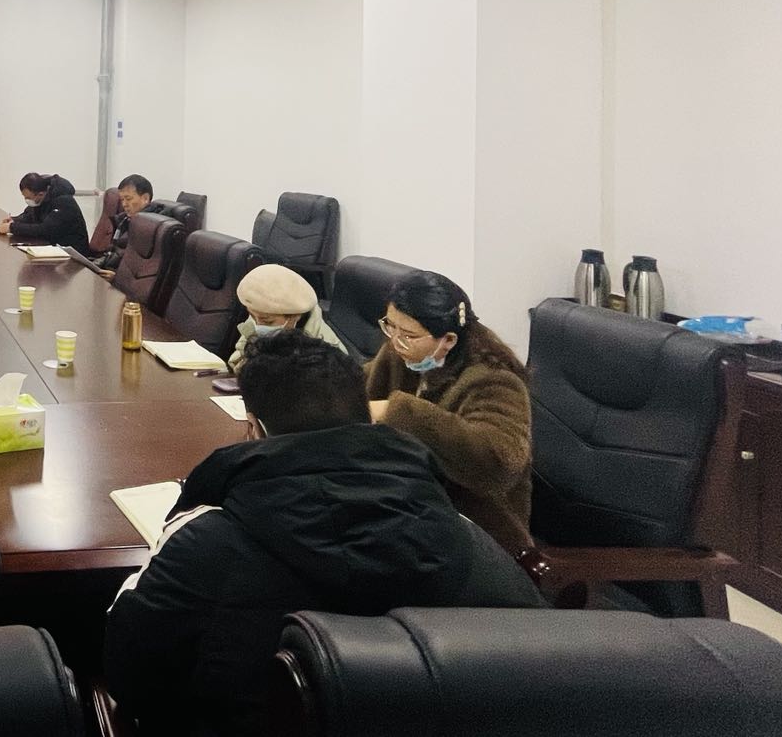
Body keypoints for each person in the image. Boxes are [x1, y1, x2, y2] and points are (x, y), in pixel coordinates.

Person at [104, 332, 542, 735]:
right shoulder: (462, 534)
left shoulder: (203, 542)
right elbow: (537, 672)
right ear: (368, 420)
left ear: (253, 428)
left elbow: (127, 672)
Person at [366, 269, 534, 556]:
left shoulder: (494, 379)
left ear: (449, 340)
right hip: (411, 507)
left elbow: (499, 462)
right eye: (390, 327)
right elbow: (353, 387)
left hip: (477, 531)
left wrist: (397, 411)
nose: (395, 341)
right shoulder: (402, 353)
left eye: (408, 335)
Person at [226, 261, 345, 369]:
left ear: (295, 316)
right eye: (252, 315)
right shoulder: (259, 315)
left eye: (267, 321)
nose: (258, 325)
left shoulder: (328, 353)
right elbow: (236, 361)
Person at [0, 172, 90, 252]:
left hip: (72, 253)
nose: (27, 200)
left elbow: (45, 230)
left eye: (28, 198)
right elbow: (29, 217)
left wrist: (12, 228)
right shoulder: (40, 199)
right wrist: (14, 220)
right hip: (52, 247)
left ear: (40, 194)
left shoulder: (64, 202)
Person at [95, 173, 161, 272]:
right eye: (122, 200)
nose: (124, 204)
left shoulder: (151, 228)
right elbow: (113, 252)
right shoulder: (123, 221)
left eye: (128, 199)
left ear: (145, 198)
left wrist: (116, 276)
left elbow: (142, 267)